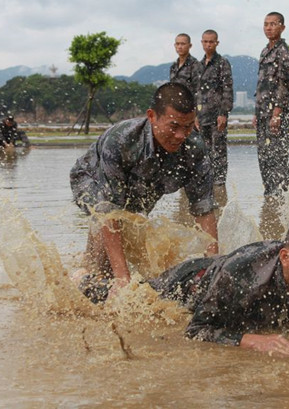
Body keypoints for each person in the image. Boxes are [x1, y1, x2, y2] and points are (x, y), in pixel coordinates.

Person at [78, 215, 289, 356]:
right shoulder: (243, 272)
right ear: (286, 257)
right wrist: (251, 340)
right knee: (130, 299)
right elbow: (196, 331)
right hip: (189, 285)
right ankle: (82, 280)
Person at [70, 83, 219, 293]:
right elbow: (108, 211)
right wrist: (123, 280)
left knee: (134, 235)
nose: (180, 136)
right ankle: (82, 276)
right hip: (91, 178)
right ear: (151, 116)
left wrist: (213, 268)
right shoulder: (121, 140)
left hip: (143, 184)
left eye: (187, 127)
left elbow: (204, 210)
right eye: (173, 126)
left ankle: (96, 269)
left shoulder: (194, 149)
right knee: (107, 266)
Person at [252, 12, 289, 199]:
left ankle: (280, 194)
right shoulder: (264, 51)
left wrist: (277, 112)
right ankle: (269, 193)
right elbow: (261, 84)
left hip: (276, 113)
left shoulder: (283, 52)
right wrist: (256, 112)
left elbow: (284, 84)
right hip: (262, 112)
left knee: (277, 155)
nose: (269, 27)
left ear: (282, 27)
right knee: (264, 155)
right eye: (266, 24)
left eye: (273, 24)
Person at [197, 29, 234, 187]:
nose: (208, 44)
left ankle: (220, 185)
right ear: (201, 43)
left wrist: (223, 113)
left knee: (218, 151)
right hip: (201, 116)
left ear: (217, 43)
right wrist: (195, 116)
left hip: (216, 115)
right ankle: (207, 182)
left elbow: (227, 88)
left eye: (211, 41)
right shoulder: (198, 66)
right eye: (205, 41)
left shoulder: (222, 63)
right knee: (203, 151)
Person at [169, 33, 203, 99]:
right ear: (175, 45)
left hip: (190, 104)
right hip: (175, 104)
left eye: (183, 44)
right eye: (177, 44)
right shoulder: (173, 66)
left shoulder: (195, 65)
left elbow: (199, 90)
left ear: (190, 46)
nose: (180, 47)